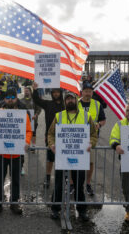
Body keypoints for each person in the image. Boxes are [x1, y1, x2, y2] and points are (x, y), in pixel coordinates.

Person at [48, 92, 98, 221]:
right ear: (65, 102)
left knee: (78, 185)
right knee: (59, 184)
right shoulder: (59, 116)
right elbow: (51, 133)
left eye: (72, 98)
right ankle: (55, 209)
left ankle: (81, 211)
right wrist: (52, 144)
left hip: (79, 157)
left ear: (76, 100)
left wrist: (90, 144)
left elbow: (93, 133)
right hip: (62, 156)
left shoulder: (86, 116)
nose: (70, 101)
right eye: (67, 99)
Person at [0, 87, 32, 216]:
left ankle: (14, 202)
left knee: (16, 179)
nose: (10, 100)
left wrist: (27, 142)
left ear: (16, 99)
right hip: (0, 153)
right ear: (5, 99)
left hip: (16, 153)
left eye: (13, 97)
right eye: (8, 97)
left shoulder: (22, 114)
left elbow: (28, 131)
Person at [32, 82, 65, 189]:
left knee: (64, 158)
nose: (56, 94)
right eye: (54, 92)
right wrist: (35, 90)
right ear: (52, 93)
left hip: (64, 136)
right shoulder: (48, 104)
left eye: (57, 92)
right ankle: (47, 177)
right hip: (50, 136)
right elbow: (37, 100)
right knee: (50, 158)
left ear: (61, 93)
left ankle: (65, 178)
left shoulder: (66, 105)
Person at [78, 82, 106, 196]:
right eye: (86, 91)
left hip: (91, 138)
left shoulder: (97, 104)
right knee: (73, 161)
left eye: (90, 91)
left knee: (90, 163)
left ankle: (88, 183)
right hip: (77, 137)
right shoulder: (76, 103)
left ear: (92, 92)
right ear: (82, 92)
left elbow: (103, 120)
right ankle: (71, 184)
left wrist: (99, 125)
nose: (88, 93)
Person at [20, 86, 41, 174]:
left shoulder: (34, 100)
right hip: (24, 122)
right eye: (25, 91)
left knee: (33, 133)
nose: (26, 92)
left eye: (27, 91)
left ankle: (33, 145)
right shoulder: (21, 100)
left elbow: (39, 109)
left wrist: (36, 115)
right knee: (25, 134)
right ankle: (26, 145)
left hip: (33, 120)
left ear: (30, 91)